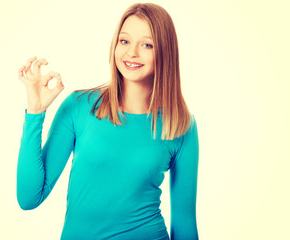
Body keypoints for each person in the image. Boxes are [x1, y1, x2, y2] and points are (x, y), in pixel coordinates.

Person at [16, 3, 199, 240]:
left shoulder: (181, 124)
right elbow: (29, 197)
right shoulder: (79, 106)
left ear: (165, 52)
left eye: (147, 45)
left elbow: (184, 222)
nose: (132, 53)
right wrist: (35, 112)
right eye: (124, 41)